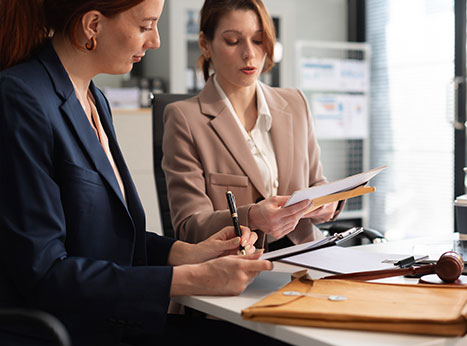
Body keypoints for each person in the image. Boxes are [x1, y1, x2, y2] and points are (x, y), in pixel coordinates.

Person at [0, 0, 275, 344]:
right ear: (93, 25)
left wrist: (187, 254)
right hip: (72, 331)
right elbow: (44, 273)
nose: (155, 40)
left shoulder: (94, 99)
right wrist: (191, 279)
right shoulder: (21, 99)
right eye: (146, 26)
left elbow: (104, 238)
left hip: (112, 320)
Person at [162, 0, 344, 251]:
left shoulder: (295, 103)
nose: (249, 53)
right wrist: (252, 217)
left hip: (305, 256)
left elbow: (316, 182)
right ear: (205, 44)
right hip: (236, 266)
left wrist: (327, 202)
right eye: (233, 41)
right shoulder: (184, 118)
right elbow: (189, 227)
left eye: (258, 40)